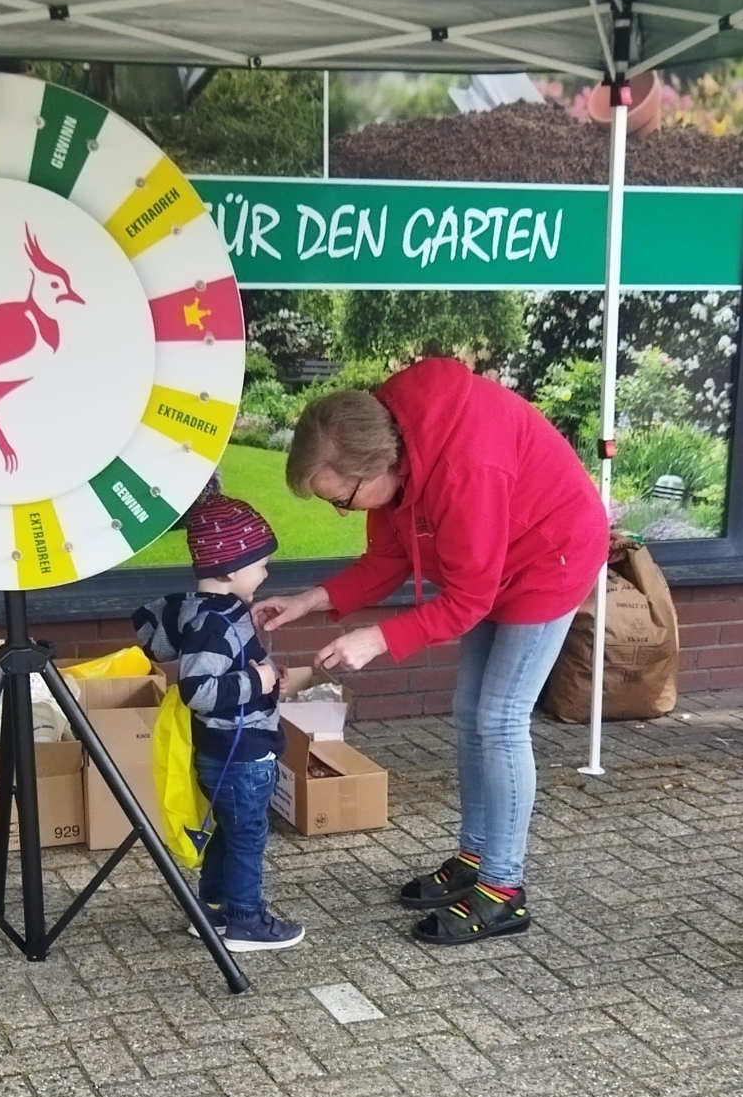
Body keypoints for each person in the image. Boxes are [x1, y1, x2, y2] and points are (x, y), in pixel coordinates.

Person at [254, 359, 609, 946]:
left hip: (551, 556)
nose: (344, 512)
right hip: (491, 564)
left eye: (343, 500)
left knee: (500, 719)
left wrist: (379, 639)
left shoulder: (467, 467)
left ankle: (504, 889)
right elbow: (388, 558)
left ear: (378, 466)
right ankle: (475, 856)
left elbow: (467, 598)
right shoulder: (395, 441)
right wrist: (309, 600)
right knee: (470, 713)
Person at [133, 493, 305, 952]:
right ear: (230, 571)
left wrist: (268, 678)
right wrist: (257, 680)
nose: (266, 574)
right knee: (247, 838)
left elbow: (234, 667)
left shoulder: (214, 611)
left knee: (226, 833)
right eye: (260, 565)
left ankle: (212, 912)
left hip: (229, 749)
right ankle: (246, 922)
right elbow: (200, 690)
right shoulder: (214, 624)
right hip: (240, 754)